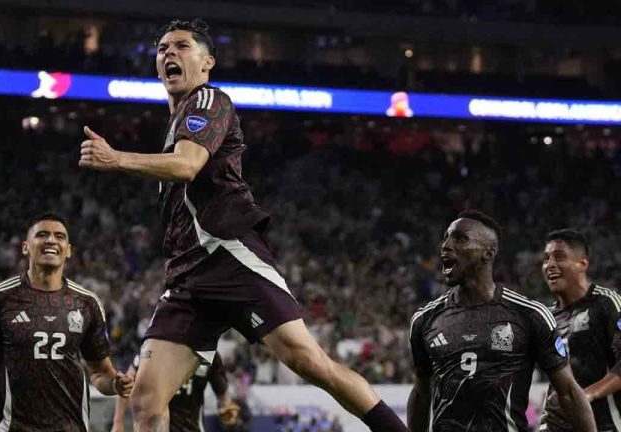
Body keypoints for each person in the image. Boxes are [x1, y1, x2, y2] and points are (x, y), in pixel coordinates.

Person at [78, 17, 408, 432]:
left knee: (308, 362)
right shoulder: (176, 121)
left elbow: (187, 165)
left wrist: (117, 158)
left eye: (181, 46)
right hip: (187, 278)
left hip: (227, 255)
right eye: (162, 49)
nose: (168, 54)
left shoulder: (207, 102)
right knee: (147, 398)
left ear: (208, 61)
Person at [408, 210, 596, 431]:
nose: (446, 246)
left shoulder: (529, 315)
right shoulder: (425, 319)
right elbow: (421, 395)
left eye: (460, 239)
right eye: (446, 237)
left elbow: (569, 393)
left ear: (488, 253)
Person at [0, 212, 133, 432]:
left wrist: (115, 384)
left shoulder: (87, 302)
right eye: (42, 235)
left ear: (69, 250)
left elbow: (100, 373)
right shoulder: (0, 297)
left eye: (59, 236)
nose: (51, 240)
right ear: (26, 247)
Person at [540, 229, 621, 431]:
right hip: (559, 423)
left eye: (559, 257)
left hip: (606, 424)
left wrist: (586, 395)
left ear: (582, 264)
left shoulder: (607, 303)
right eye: (546, 258)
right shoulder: (546, 318)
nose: (550, 265)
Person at [111, 352, 239, 432]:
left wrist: (228, 409)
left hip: (192, 428)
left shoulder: (210, 355)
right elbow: (126, 384)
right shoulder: (154, 348)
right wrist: (118, 423)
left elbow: (224, 398)